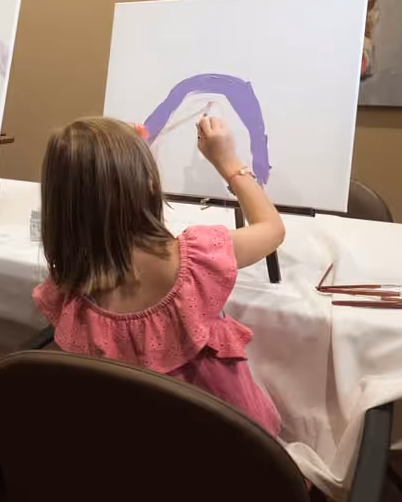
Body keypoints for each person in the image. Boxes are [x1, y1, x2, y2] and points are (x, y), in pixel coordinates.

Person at [32, 116, 284, 435]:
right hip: (230, 441)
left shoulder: (65, 290)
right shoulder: (197, 259)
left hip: (149, 445)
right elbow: (272, 228)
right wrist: (227, 162)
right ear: (149, 183)